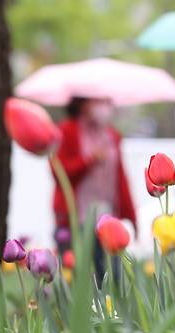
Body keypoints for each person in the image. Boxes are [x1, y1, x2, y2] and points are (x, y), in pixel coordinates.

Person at [52, 97, 136, 283]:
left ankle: (109, 312)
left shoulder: (112, 136)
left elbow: (120, 179)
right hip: (75, 219)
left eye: (106, 101)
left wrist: (131, 216)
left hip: (107, 217)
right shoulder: (67, 130)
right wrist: (88, 161)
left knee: (111, 276)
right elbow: (58, 170)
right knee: (77, 278)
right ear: (82, 103)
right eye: (98, 101)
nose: (104, 106)